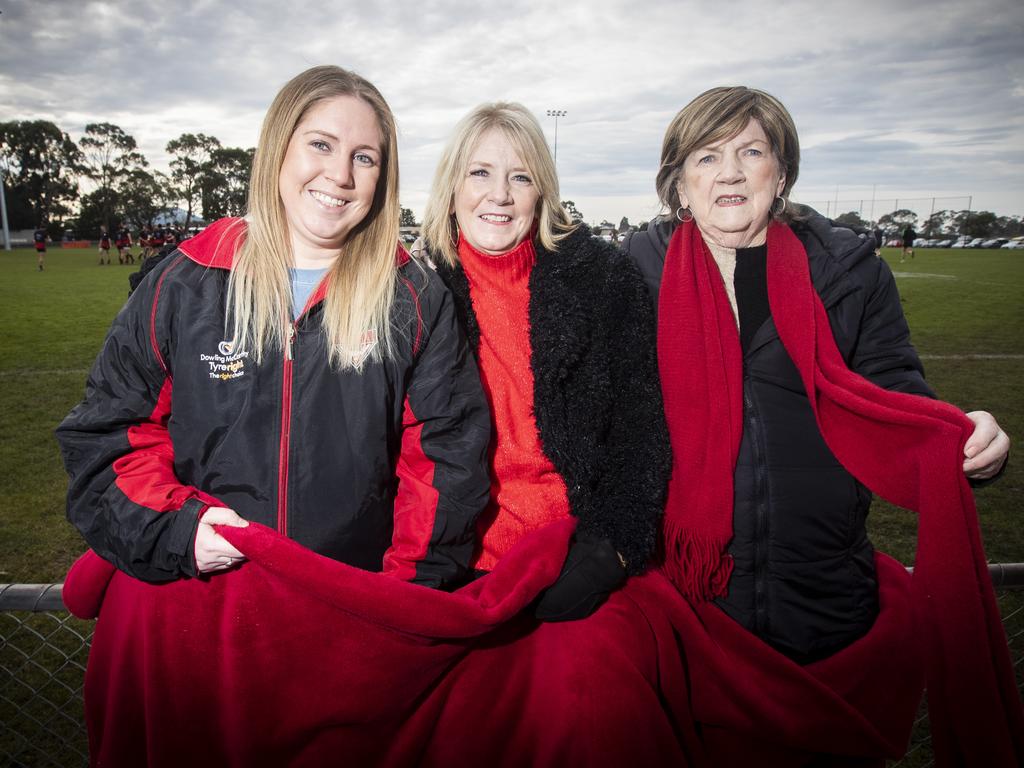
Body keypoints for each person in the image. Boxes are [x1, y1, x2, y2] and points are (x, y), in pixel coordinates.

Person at [56, 66, 492, 761]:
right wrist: (179, 530)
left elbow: (446, 458)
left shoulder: (412, 296)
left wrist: (400, 596)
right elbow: (109, 438)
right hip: (200, 618)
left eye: (365, 157)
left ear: (384, 176)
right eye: (321, 145)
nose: (340, 175)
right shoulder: (184, 281)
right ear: (279, 149)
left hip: (343, 621)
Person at [624, 85, 1019, 765]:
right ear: (678, 182)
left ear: (781, 173)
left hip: (826, 595)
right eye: (706, 155)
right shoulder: (636, 270)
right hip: (690, 605)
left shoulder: (844, 270)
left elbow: (897, 392)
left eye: (752, 151)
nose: (730, 171)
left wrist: (967, 438)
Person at [403, 102, 679, 764]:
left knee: (595, 716)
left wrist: (611, 550)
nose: (499, 195)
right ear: (450, 186)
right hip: (448, 551)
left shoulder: (602, 278)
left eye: (521, 177)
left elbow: (644, 430)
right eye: (480, 173)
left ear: (544, 192)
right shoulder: (408, 286)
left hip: (572, 542)